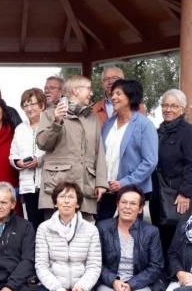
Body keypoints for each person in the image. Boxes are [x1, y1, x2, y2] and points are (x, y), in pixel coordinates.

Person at [36, 75, 107, 220]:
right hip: (56, 189)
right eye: (88, 89)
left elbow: (99, 152)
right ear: (75, 91)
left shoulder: (92, 118)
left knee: (84, 238)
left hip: (86, 190)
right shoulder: (50, 114)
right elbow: (43, 143)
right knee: (55, 237)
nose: (91, 93)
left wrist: (101, 182)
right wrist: (57, 122)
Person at [151, 89, 192, 257]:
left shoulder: (188, 132)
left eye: (173, 106)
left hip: (177, 194)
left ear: (182, 109)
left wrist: (185, 193)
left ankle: (177, 275)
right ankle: (163, 274)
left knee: (177, 234)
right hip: (158, 193)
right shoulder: (158, 132)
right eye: (165, 105)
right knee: (160, 233)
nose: (168, 109)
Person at [97, 79, 158, 221]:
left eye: (118, 93)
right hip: (107, 191)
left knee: (130, 235)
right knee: (102, 231)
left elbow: (150, 161)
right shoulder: (108, 124)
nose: (113, 97)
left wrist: (124, 182)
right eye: (112, 94)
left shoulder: (144, 125)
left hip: (131, 192)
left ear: (131, 97)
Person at [10, 87, 46, 229]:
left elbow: (54, 152)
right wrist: (18, 163)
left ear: (42, 105)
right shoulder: (20, 128)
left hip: (46, 184)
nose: (29, 108)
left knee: (48, 224)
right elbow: (13, 154)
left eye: (32, 104)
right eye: (25, 105)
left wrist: (38, 161)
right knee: (33, 224)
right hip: (27, 185)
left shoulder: (49, 124)